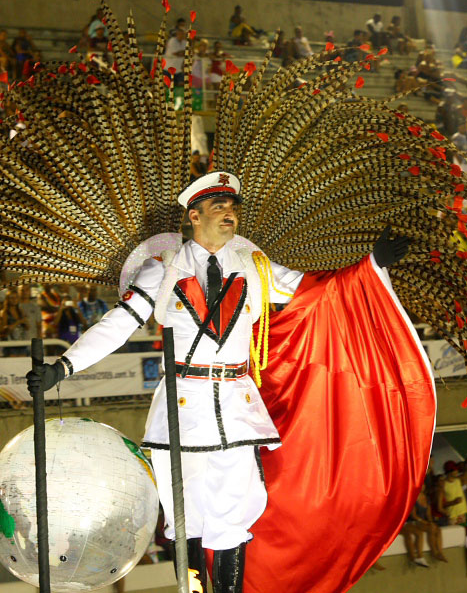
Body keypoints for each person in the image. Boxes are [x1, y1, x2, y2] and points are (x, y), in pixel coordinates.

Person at [27, 171, 410, 592]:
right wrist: (64, 367)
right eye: (218, 207)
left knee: (234, 513)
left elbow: (317, 293)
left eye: (233, 206)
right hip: (181, 408)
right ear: (194, 215)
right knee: (185, 513)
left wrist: (370, 268)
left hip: (237, 407)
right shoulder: (161, 271)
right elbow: (117, 325)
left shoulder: (256, 265)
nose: (230, 213)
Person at [440, 460, 467, 524]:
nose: (457, 472)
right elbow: (441, 504)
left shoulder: (458, 480)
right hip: (452, 516)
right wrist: (453, 502)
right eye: (455, 470)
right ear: (449, 472)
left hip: (463, 513)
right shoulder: (442, 484)